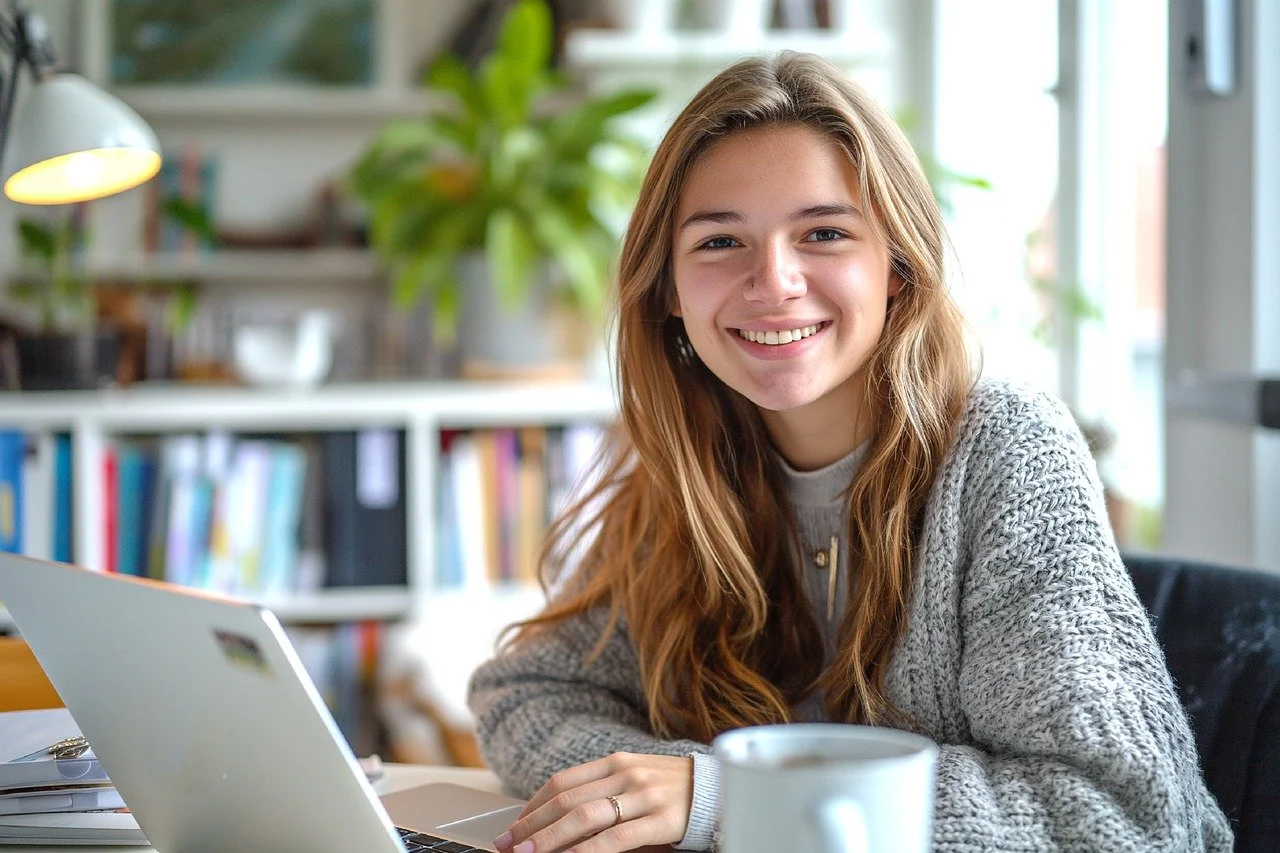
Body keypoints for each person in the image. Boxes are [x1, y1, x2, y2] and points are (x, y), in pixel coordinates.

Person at [467, 51, 1232, 852]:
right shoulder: (692, 463)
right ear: (667, 289)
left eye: (824, 233)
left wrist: (734, 796)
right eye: (720, 241)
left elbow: (1117, 815)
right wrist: (672, 785)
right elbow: (525, 690)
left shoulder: (1008, 451)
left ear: (896, 263)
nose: (775, 281)